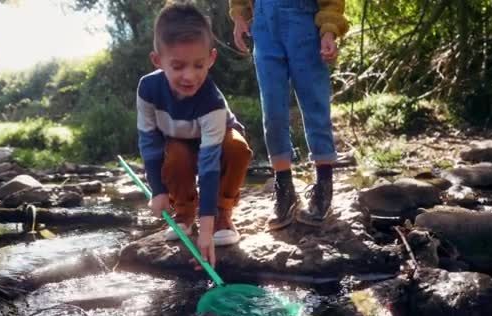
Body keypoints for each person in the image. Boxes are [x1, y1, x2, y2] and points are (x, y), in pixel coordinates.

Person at [137, 2, 253, 269]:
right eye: (177, 66)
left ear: (211, 59)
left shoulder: (212, 102)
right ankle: (184, 212)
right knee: (175, 154)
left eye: (198, 65)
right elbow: (149, 141)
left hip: (218, 142)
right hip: (177, 141)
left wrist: (207, 228)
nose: (189, 76)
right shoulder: (147, 89)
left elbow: (209, 165)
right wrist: (158, 191)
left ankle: (223, 212)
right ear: (158, 61)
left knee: (237, 147)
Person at [229, 0, 349, 229]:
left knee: (315, 104)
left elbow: (332, 3)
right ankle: (284, 188)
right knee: (272, 109)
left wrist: (329, 31)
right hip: (264, 29)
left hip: (304, 26)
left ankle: (324, 186)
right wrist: (239, 16)